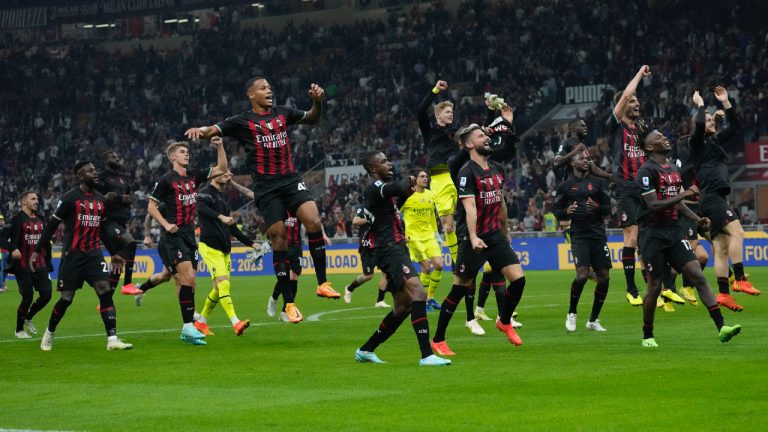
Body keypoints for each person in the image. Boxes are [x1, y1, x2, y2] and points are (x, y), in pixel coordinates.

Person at [184, 77, 339, 325]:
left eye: (270, 87)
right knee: (279, 238)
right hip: (267, 188)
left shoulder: (283, 113)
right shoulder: (242, 121)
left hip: (290, 179)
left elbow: (312, 117)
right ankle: (289, 303)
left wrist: (317, 101)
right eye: (263, 88)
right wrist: (199, 131)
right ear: (251, 95)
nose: (269, 91)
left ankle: (323, 283)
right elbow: (212, 130)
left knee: (313, 220)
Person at [635, 129, 741, 347]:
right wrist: (683, 194)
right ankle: (647, 335)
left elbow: (677, 203)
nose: (665, 137)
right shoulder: (646, 171)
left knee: (697, 275)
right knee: (654, 287)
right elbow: (653, 205)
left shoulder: (673, 168)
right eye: (659, 137)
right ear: (649, 148)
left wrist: (697, 218)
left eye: (664, 135)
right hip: (652, 234)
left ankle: (722, 327)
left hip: (674, 232)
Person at [431, 124, 526, 356]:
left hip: (494, 235)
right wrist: (473, 237)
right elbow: (470, 207)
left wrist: (506, 231)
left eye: (486, 135)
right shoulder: (466, 171)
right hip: (472, 237)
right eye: (481, 136)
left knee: (518, 280)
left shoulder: (497, 168)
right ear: (469, 145)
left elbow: (500, 203)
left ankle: (504, 321)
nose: (487, 138)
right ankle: (438, 339)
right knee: (459, 289)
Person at [354, 151, 451, 366]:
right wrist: (408, 181)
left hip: (395, 249)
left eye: (388, 160)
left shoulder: (384, 195)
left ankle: (366, 349)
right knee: (419, 292)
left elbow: (398, 199)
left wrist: (408, 190)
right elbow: (395, 188)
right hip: (390, 251)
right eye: (383, 162)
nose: (389, 164)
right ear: (372, 169)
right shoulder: (375, 188)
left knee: (403, 307)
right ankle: (427, 355)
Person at [29, 162, 133, 351]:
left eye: (95, 170)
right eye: (90, 171)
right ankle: (49, 332)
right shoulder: (69, 198)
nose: (95, 173)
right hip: (72, 256)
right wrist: (37, 250)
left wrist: (114, 254)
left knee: (105, 291)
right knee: (66, 299)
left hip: (94, 255)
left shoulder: (101, 200)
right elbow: (51, 226)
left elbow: (102, 230)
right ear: (79, 176)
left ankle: (112, 339)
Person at [142, 138, 228, 345]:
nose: (186, 154)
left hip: (190, 235)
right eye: (182, 152)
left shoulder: (193, 176)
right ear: (172, 157)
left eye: (187, 152)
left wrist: (219, 146)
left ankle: (186, 329)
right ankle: (188, 327)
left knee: (191, 281)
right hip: (174, 236)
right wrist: (165, 224)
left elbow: (222, 168)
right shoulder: (166, 180)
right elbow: (151, 207)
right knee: (187, 277)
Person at [690, 88, 760, 311]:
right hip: (712, 198)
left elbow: (737, 127)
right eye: (708, 119)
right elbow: (700, 126)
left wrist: (726, 103)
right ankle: (739, 278)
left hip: (714, 197)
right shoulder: (697, 143)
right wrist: (700, 105)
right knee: (738, 232)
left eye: (712, 119)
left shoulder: (714, 142)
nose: (711, 121)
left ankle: (723, 294)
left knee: (720, 247)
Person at [193, 170, 257, 336]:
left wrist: (251, 243)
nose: (226, 175)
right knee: (223, 283)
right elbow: (200, 207)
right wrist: (221, 217)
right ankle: (236, 322)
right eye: (222, 172)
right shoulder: (205, 192)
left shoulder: (223, 198)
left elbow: (232, 227)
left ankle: (201, 322)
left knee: (217, 287)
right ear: (213, 175)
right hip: (210, 246)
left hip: (224, 248)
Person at [553, 151, 611, 332]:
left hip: (598, 234)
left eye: (587, 158)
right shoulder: (566, 187)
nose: (586, 161)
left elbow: (609, 208)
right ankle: (572, 313)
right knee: (582, 275)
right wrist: (566, 211)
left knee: (604, 278)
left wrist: (599, 207)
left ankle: (593, 320)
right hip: (579, 234)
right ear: (572, 162)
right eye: (582, 158)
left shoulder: (599, 184)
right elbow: (557, 210)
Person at [609, 65, 651, 306]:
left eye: (637, 101)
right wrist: (638, 74)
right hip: (625, 186)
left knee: (646, 239)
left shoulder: (643, 128)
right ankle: (631, 289)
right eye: (632, 101)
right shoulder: (615, 126)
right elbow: (625, 95)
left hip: (646, 188)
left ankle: (653, 287)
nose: (636, 104)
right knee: (632, 238)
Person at [417, 80, 459, 263]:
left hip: (459, 177)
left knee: (474, 214)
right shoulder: (430, 132)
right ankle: (459, 263)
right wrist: (435, 91)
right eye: (447, 112)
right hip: (440, 180)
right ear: (438, 115)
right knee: (448, 227)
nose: (451, 114)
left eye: (452, 112)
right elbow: (420, 111)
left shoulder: (457, 132)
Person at [0, 191, 53, 338]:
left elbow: (46, 240)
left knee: (47, 295)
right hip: (22, 266)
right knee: (27, 297)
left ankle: (28, 317)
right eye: (33, 199)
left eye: (37, 198)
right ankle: (19, 330)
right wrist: (12, 248)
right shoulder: (16, 220)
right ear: (24, 202)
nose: (37, 201)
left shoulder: (41, 219)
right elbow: (1, 237)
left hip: (40, 264)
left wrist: (48, 260)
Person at [94, 149, 142, 296]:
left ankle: (105, 301)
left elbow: (128, 197)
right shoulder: (100, 177)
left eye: (117, 156)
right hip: (107, 221)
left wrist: (129, 199)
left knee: (118, 262)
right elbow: (90, 198)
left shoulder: (123, 178)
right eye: (113, 157)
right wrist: (103, 197)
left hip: (121, 222)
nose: (117, 159)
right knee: (131, 243)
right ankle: (127, 284)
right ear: (105, 161)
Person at [401, 170, 444, 311]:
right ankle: (421, 301)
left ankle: (430, 298)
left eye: (426, 176)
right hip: (414, 237)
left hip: (429, 236)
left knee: (439, 265)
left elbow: (432, 215)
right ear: (415, 179)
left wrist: (437, 234)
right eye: (422, 176)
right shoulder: (407, 197)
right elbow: (394, 213)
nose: (425, 178)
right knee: (426, 267)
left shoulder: (430, 194)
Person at [343, 206, 389, 308]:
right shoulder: (364, 209)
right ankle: (350, 288)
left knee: (386, 273)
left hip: (379, 245)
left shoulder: (381, 209)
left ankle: (380, 301)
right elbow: (355, 221)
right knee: (368, 276)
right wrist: (368, 220)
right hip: (367, 247)